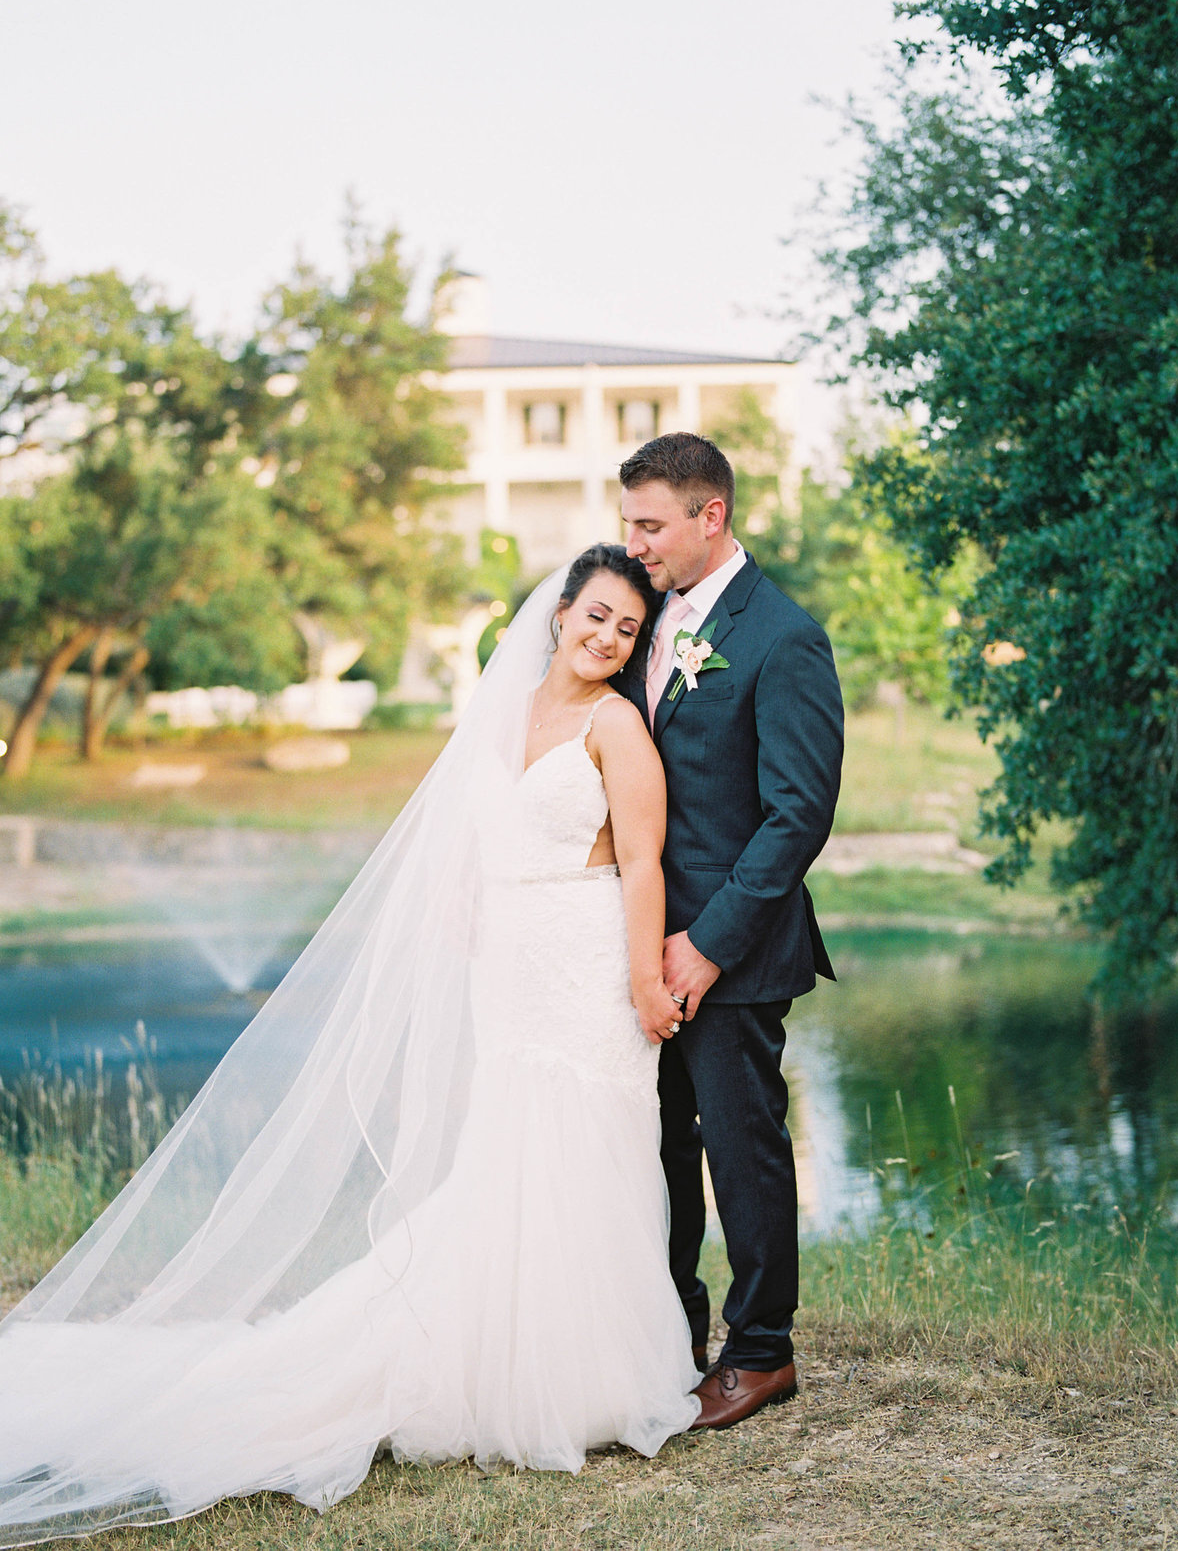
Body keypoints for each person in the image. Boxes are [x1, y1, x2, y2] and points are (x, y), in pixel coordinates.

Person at [0, 544, 700, 1548]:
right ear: (557, 614)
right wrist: (469, 898)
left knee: (587, 1149)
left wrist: (642, 977)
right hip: (507, 966)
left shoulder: (618, 725)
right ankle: (495, 1362)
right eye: (596, 615)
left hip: (586, 965)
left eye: (628, 629)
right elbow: (469, 832)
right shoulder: (499, 715)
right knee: (507, 1151)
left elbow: (641, 864)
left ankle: (580, 1367)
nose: (608, 637)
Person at [620, 432, 843, 1431]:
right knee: (656, 1144)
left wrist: (705, 944)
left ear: (712, 515)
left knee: (743, 1148)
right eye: (630, 521)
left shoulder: (782, 636)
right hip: (636, 945)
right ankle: (674, 1336)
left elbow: (797, 813)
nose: (635, 541)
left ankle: (760, 1352)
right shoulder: (644, 615)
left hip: (735, 951)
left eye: (651, 523)